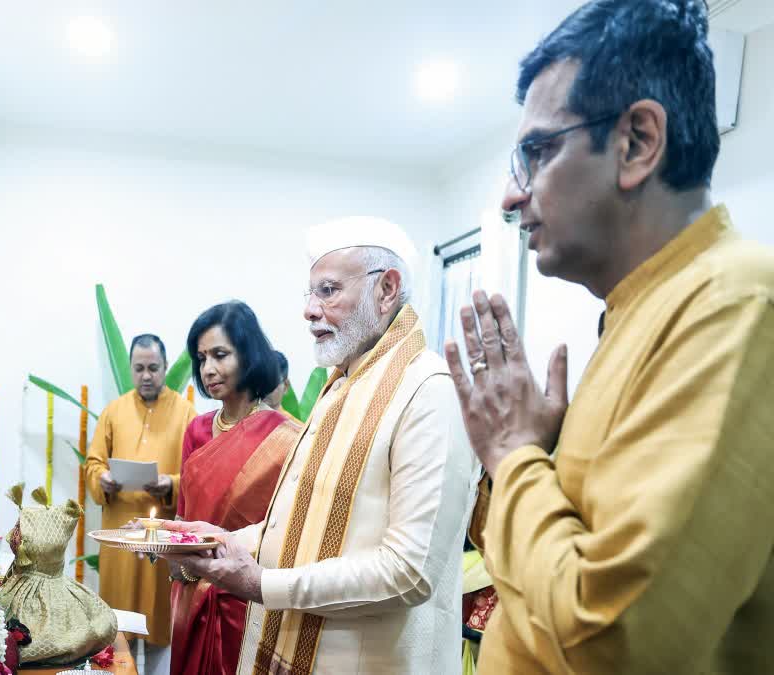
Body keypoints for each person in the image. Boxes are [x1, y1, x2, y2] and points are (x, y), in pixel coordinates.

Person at [445, 1, 774, 673]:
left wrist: (513, 457)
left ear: (636, 143)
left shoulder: (734, 303)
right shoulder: (643, 306)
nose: (512, 197)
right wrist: (531, 452)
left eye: (536, 153)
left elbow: (612, 637)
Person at [163, 217, 477, 674]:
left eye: (328, 291)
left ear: (387, 289)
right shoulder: (342, 387)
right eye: (310, 294)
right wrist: (209, 544)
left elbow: (408, 572)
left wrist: (262, 584)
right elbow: (293, 526)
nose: (309, 310)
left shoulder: (428, 390)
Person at [170, 302, 302, 675]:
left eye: (220, 355)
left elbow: (287, 533)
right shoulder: (197, 430)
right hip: (188, 592)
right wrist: (158, 543)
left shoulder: (285, 436)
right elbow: (183, 517)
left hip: (246, 599)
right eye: (201, 358)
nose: (207, 369)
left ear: (248, 355)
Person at [84, 334, 196, 656]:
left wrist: (171, 484)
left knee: (162, 624)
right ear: (131, 369)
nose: (146, 376)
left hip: (162, 537)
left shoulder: (186, 413)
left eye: (153, 368)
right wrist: (102, 478)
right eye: (139, 368)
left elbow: (197, 471)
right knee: (118, 632)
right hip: (120, 534)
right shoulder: (113, 412)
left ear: (164, 367)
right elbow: (93, 463)